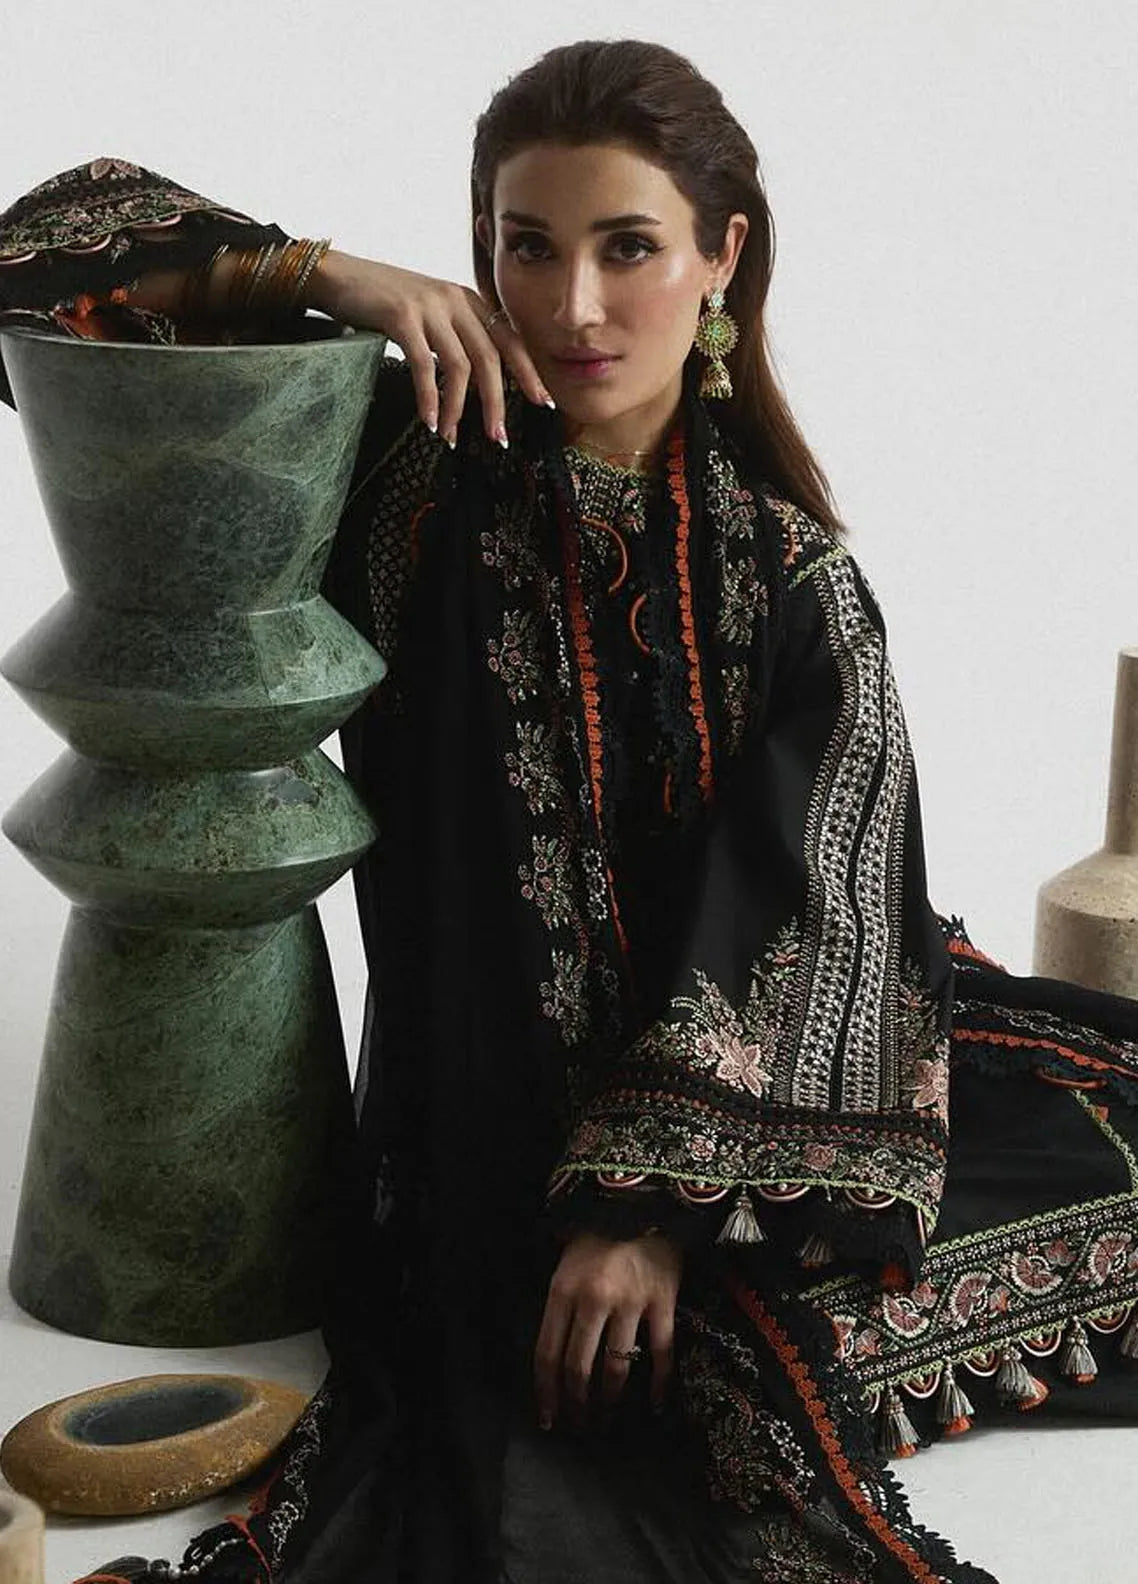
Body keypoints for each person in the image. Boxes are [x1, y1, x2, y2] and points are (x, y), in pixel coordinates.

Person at [2, 37, 1138, 1584]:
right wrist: (336, 279)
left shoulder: (794, 583)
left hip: (769, 1119)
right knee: (678, 1379)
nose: (576, 305)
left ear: (720, 259)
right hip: (466, 1141)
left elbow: (822, 916)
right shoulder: (389, 471)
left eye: (628, 249)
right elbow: (32, 258)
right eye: (525, 248)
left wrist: (647, 1215)